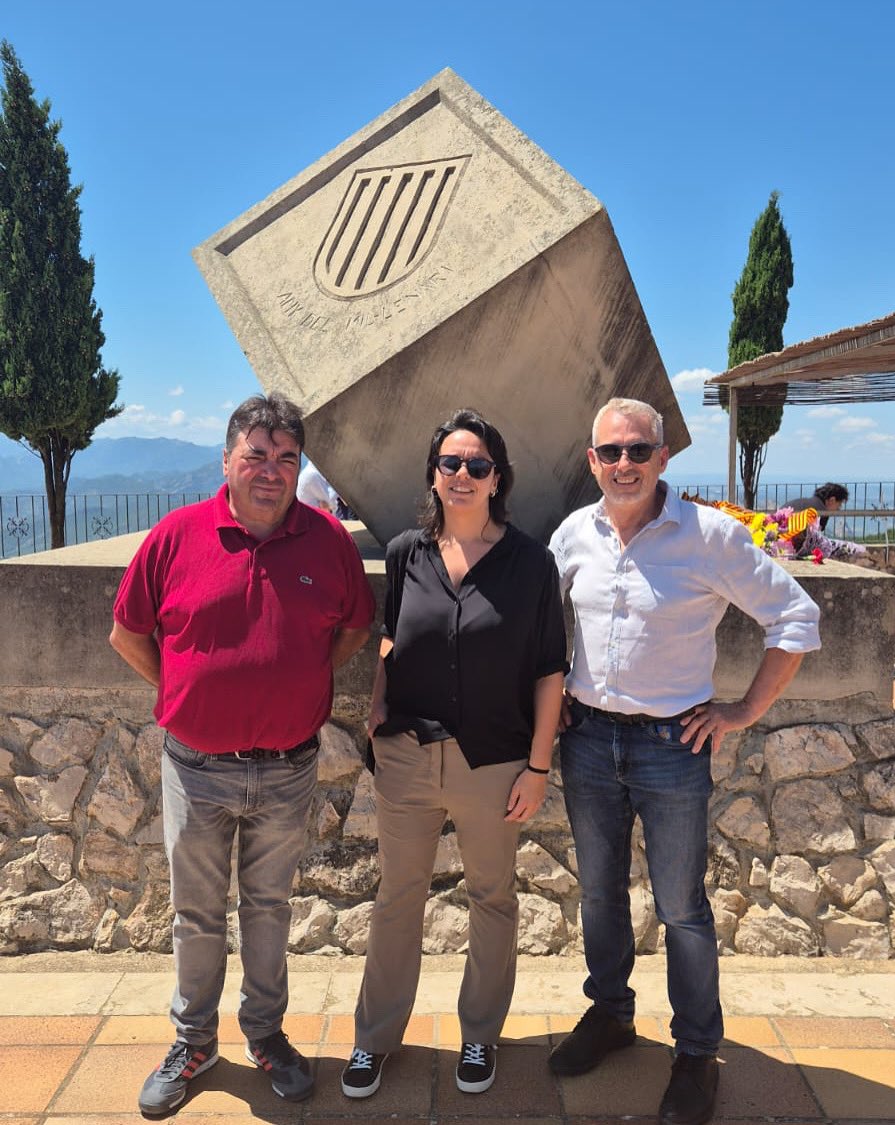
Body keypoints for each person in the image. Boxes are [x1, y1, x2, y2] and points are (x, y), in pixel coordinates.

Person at [548, 398, 820, 1125]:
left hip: (673, 746)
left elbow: (796, 618)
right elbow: (544, 626)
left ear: (665, 457)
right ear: (592, 461)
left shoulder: (710, 537)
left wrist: (740, 711)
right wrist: (555, 704)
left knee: (682, 910)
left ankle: (697, 1053)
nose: (625, 464)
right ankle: (611, 1014)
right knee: (600, 895)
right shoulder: (574, 534)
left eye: (640, 450)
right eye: (611, 452)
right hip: (588, 741)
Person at [109, 394, 374, 1115]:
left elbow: (352, 628)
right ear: (226, 459)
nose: (271, 470)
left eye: (286, 458)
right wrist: (186, 691)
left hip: (288, 768)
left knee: (268, 907)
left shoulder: (327, 542)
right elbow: (127, 633)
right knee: (195, 914)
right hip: (195, 769)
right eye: (256, 454)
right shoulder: (175, 536)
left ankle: (265, 1033)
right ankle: (193, 1042)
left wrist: (301, 677)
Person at [340, 408, 567, 1099]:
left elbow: (550, 670)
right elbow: (391, 637)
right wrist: (378, 705)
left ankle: (479, 1035)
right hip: (408, 753)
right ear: (433, 477)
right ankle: (374, 1040)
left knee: (492, 896)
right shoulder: (409, 551)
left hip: (494, 760)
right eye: (450, 464)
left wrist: (537, 764)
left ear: (498, 478)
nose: (462, 475)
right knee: (396, 898)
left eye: (477, 465)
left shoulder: (532, 562)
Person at [785, 482, 849, 532]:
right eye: (839, 504)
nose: (839, 509)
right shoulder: (820, 512)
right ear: (832, 500)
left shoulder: (807, 503)